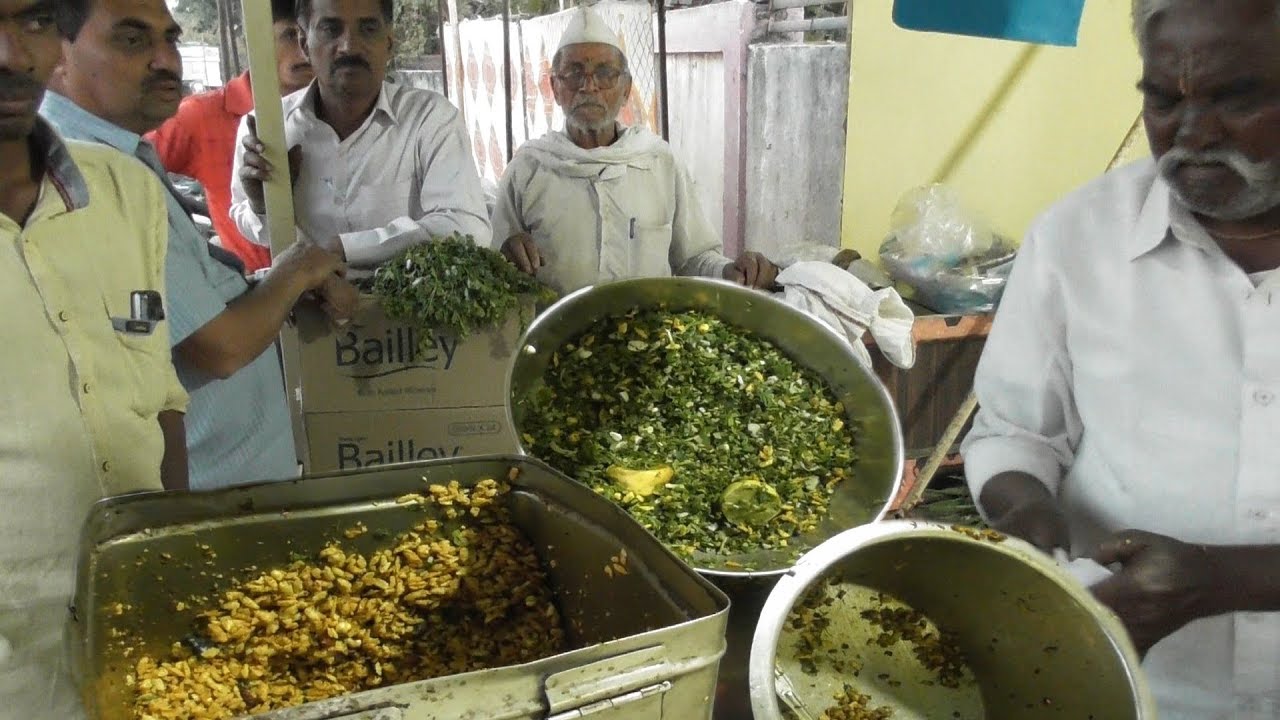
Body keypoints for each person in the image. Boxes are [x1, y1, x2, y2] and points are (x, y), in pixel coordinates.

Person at [962, 0, 1280, 717]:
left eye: (1239, 97)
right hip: (1133, 690)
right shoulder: (1078, 237)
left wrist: (1230, 579)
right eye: (1164, 101)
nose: (1193, 136)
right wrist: (1025, 506)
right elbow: (1015, 431)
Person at [43, 0, 358, 490]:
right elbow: (220, 348)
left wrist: (273, 285)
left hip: (232, 482)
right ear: (54, 53)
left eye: (170, 38)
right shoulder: (90, 175)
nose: (165, 60)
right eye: (132, 39)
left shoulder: (120, 157)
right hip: (213, 494)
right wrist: (294, 269)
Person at [0, 0, 189, 714]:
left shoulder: (124, 192)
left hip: (147, 652)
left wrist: (173, 559)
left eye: (34, 21)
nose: (12, 55)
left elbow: (159, 395)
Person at [490, 6, 778, 295]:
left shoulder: (658, 162)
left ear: (626, 89)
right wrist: (504, 258)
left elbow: (693, 259)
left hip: (648, 333)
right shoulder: (528, 169)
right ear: (555, 86)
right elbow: (494, 268)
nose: (589, 86)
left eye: (605, 74)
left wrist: (731, 271)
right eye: (574, 74)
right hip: (554, 336)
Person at [231, 0, 491, 268]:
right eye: (331, 29)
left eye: (367, 29)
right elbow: (257, 231)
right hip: (307, 304)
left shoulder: (430, 119)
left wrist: (346, 249)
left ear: (389, 42)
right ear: (304, 43)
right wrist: (264, 205)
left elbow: (467, 227)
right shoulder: (267, 132)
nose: (349, 46)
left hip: (407, 306)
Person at [145, 0, 313, 272]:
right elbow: (126, 156)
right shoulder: (202, 115)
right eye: (290, 35)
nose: (305, 50)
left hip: (334, 289)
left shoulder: (340, 112)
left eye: (313, 34)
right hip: (249, 295)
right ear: (257, 38)